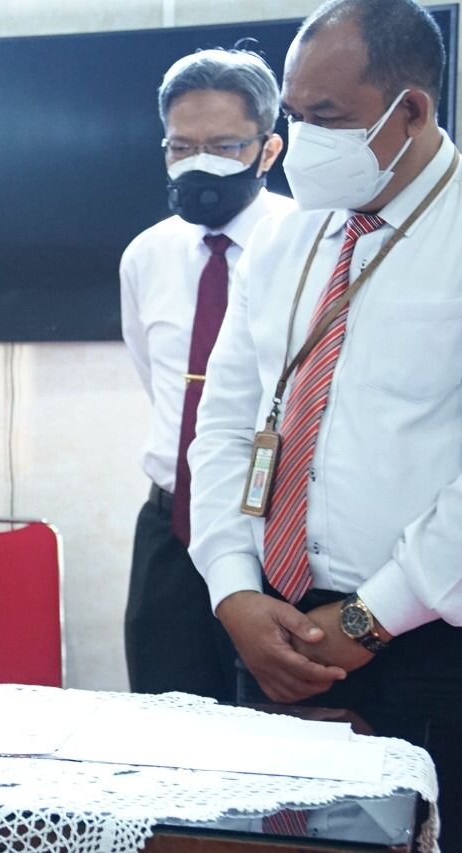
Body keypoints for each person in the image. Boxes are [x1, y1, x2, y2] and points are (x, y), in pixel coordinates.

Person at [188, 0, 462, 838]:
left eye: (329, 118)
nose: (302, 141)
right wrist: (235, 588)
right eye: (296, 116)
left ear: (410, 109)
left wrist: (374, 614)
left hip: (427, 644)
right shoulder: (288, 236)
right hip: (273, 633)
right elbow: (225, 425)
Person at [120, 48, 293, 701]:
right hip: (170, 527)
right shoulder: (146, 255)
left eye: (223, 146)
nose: (200, 163)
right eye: (181, 147)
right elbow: (158, 380)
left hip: (273, 530)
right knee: (163, 724)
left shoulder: (309, 243)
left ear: (268, 149)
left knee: (275, 730)